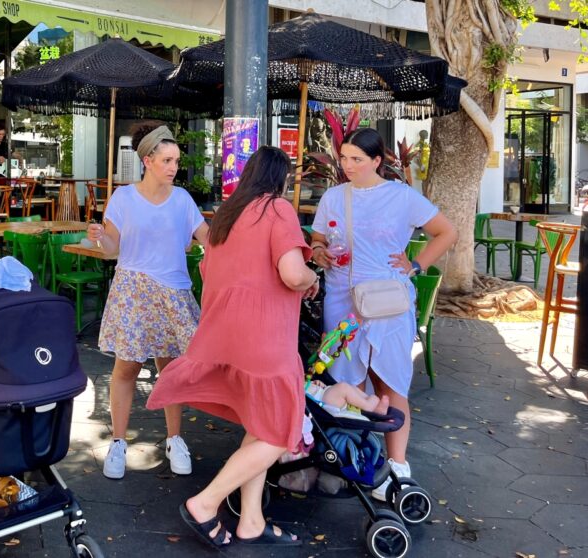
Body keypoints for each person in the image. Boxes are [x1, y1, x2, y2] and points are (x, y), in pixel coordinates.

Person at [146, 146, 315, 548]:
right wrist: (312, 278)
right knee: (278, 432)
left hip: (224, 336)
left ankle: (251, 521)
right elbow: (292, 274)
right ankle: (206, 503)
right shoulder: (276, 209)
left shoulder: (225, 215)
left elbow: (210, 269)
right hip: (265, 340)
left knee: (260, 427)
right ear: (281, 179)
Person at [309, 127, 457, 500]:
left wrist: (416, 265)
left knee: (391, 381)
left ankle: (398, 466)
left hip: (388, 302)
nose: (347, 166)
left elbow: (446, 232)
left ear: (377, 161)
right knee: (347, 383)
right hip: (343, 300)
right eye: (343, 158)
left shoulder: (402, 196)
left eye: (356, 159)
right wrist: (318, 252)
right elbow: (318, 240)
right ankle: (359, 460)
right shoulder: (332, 196)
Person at [85, 122, 208, 480]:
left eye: (176, 161)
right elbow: (112, 249)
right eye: (167, 160)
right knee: (127, 368)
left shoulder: (183, 199)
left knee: (171, 371)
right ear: (147, 160)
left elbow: (208, 237)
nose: (173, 167)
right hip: (133, 290)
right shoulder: (123, 198)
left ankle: (175, 439)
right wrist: (98, 237)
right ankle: (118, 441)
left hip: (172, 292)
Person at [305, 379, 390, 418]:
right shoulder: (293, 384)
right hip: (322, 402)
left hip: (323, 393)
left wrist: (315, 383)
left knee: (352, 388)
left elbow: (308, 385)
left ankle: (375, 407)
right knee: (343, 387)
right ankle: (368, 406)